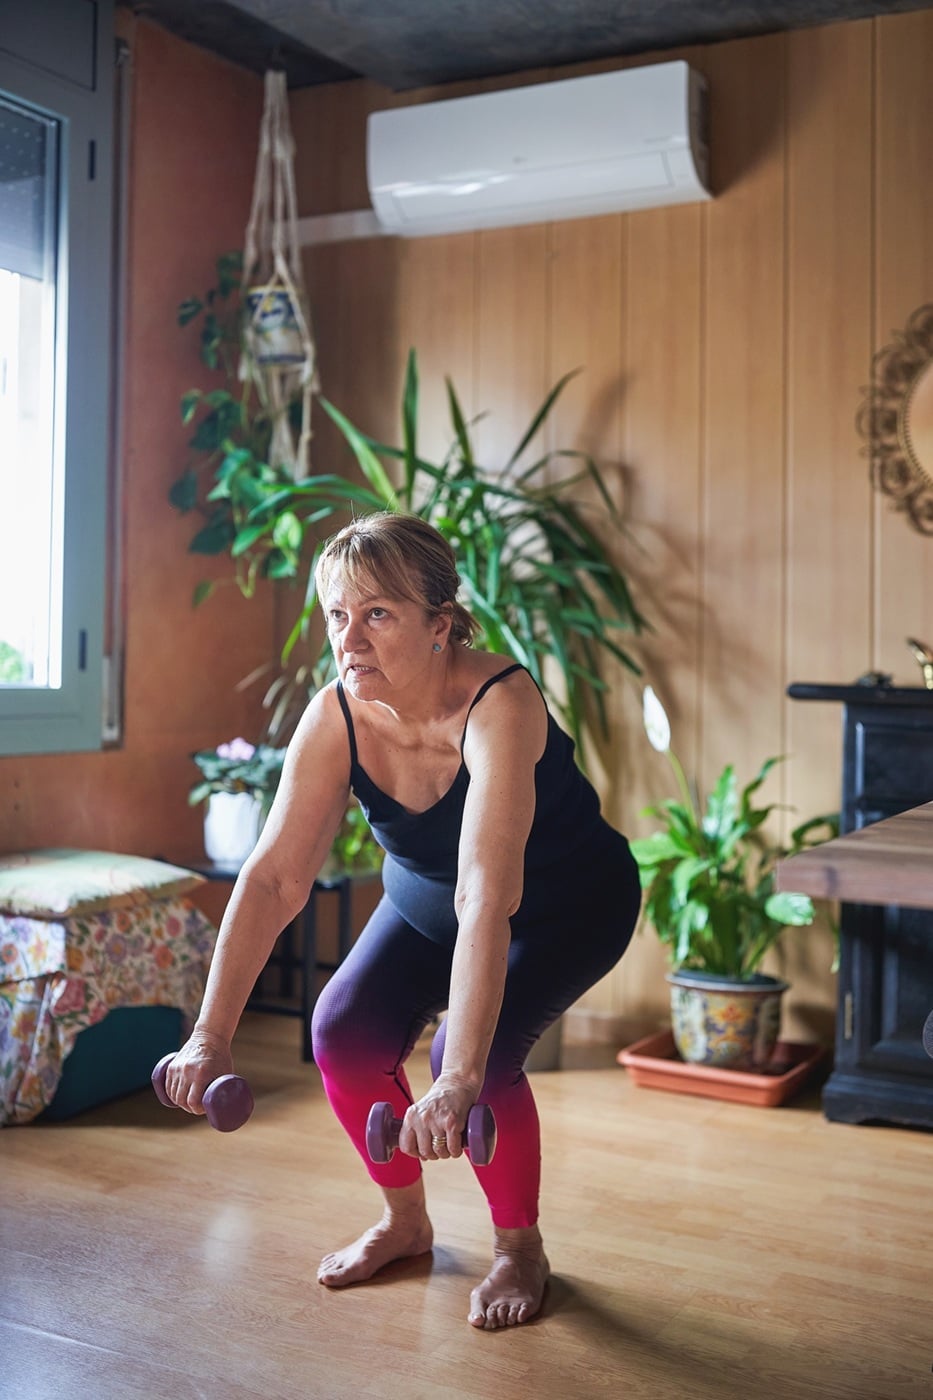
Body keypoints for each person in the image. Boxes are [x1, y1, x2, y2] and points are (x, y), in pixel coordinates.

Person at [164, 513, 642, 1330]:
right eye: (337, 616)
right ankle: (405, 1223)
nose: (351, 639)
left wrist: (455, 1082)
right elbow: (275, 877)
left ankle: (518, 1246)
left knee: (475, 1057)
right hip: (428, 902)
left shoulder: (500, 702)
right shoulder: (336, 715)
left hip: (565, 907)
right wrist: (210, 1034)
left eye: (377, 614)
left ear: (440, 624)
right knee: (342, 1030)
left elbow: (487, 897)